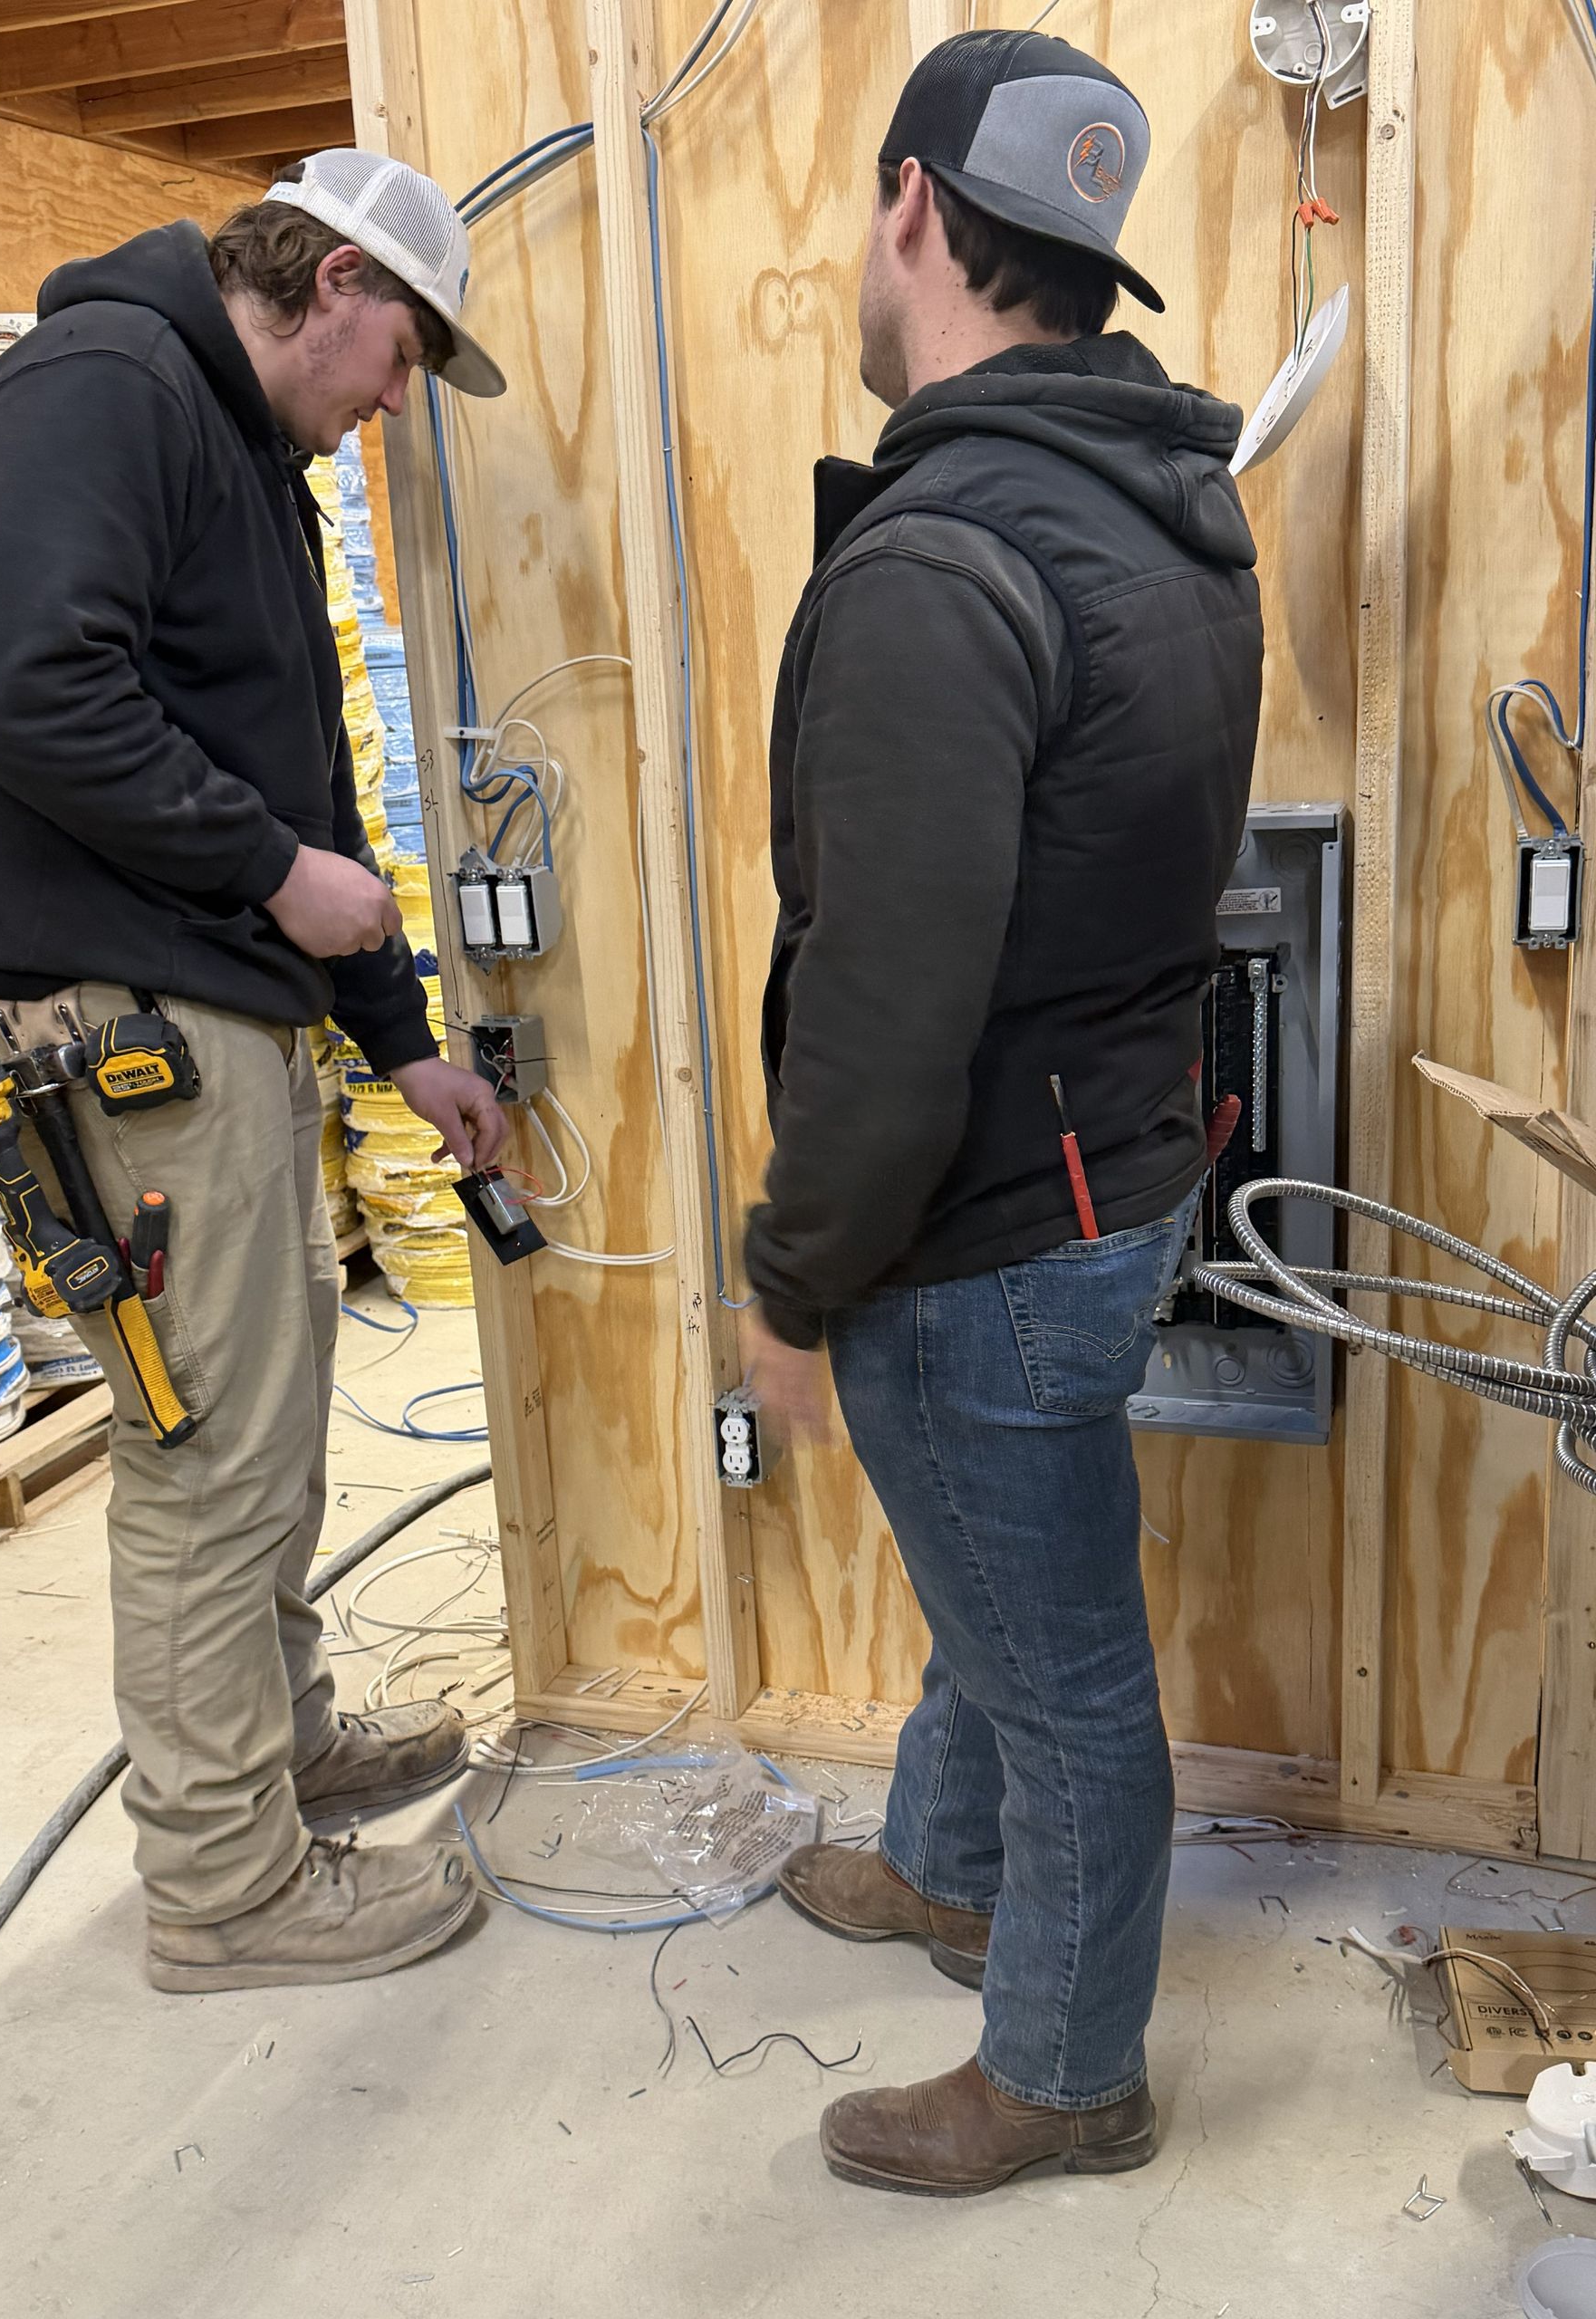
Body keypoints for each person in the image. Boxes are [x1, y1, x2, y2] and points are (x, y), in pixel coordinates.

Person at [0, 150, 510, 1994]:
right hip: (111, 1016)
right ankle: (226, 1885)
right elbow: (26, 684)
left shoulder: (250, 465)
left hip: (197, 1003)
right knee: (204, 1457)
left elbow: (314, 800)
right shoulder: (100, 391)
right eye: (406, 352)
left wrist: (405, 1042)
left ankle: (277, 1741)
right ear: (331, 279)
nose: (399, 398)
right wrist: (261, 871)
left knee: (267, 1413)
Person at [742, 34, 1262, 2193]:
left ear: (913, 214)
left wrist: (789, 1281)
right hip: (1109, 1165)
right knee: (1000, 1581)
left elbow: (886, 1000)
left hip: (982, 1223)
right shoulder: (1167, 507)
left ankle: (1064, 2065)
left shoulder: (943, 558)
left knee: (1060, 1674)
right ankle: (949, 1870)